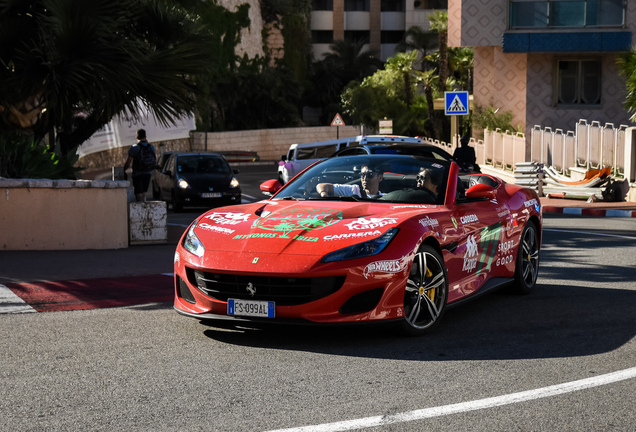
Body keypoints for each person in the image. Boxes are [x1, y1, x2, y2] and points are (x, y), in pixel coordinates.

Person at [124, 129, 156, 202]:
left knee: (138, 193)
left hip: (137, 173)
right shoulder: (151, 147)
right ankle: (144, 205)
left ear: (137, 137)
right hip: (148, 172)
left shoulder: (134, 147)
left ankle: (140, 207)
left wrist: (124, 169)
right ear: (145, 136)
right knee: (144, 192)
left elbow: (129, 161)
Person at [316, 164, 384, 198]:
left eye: (370, 175)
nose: (365, 178)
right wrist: (324, 195)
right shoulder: (352, 190)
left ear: (380, 178)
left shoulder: (385, 198)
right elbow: (321, 186)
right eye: (362, 175)